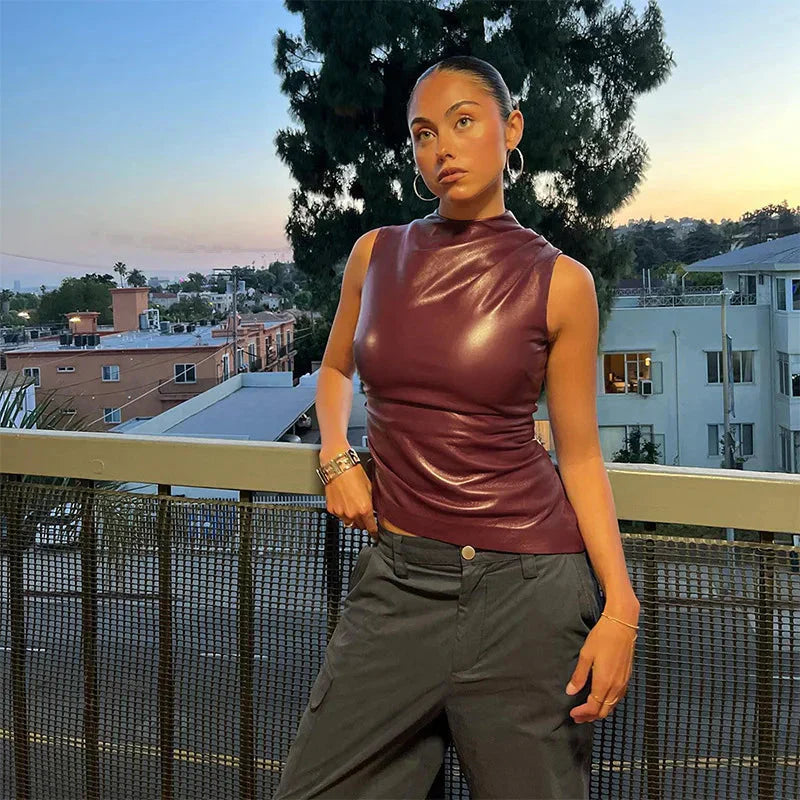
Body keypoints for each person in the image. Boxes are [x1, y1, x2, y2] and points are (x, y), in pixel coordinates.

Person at [274, 55, 640, 800]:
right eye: (423, 134)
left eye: (463, 122)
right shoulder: (376, 254)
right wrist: (336, 456)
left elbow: (579, 455)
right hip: (398, 579)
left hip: (527, 593)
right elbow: (336, 368)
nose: (441, 148)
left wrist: (621, 608)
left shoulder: (563, 282)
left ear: (512, 129)